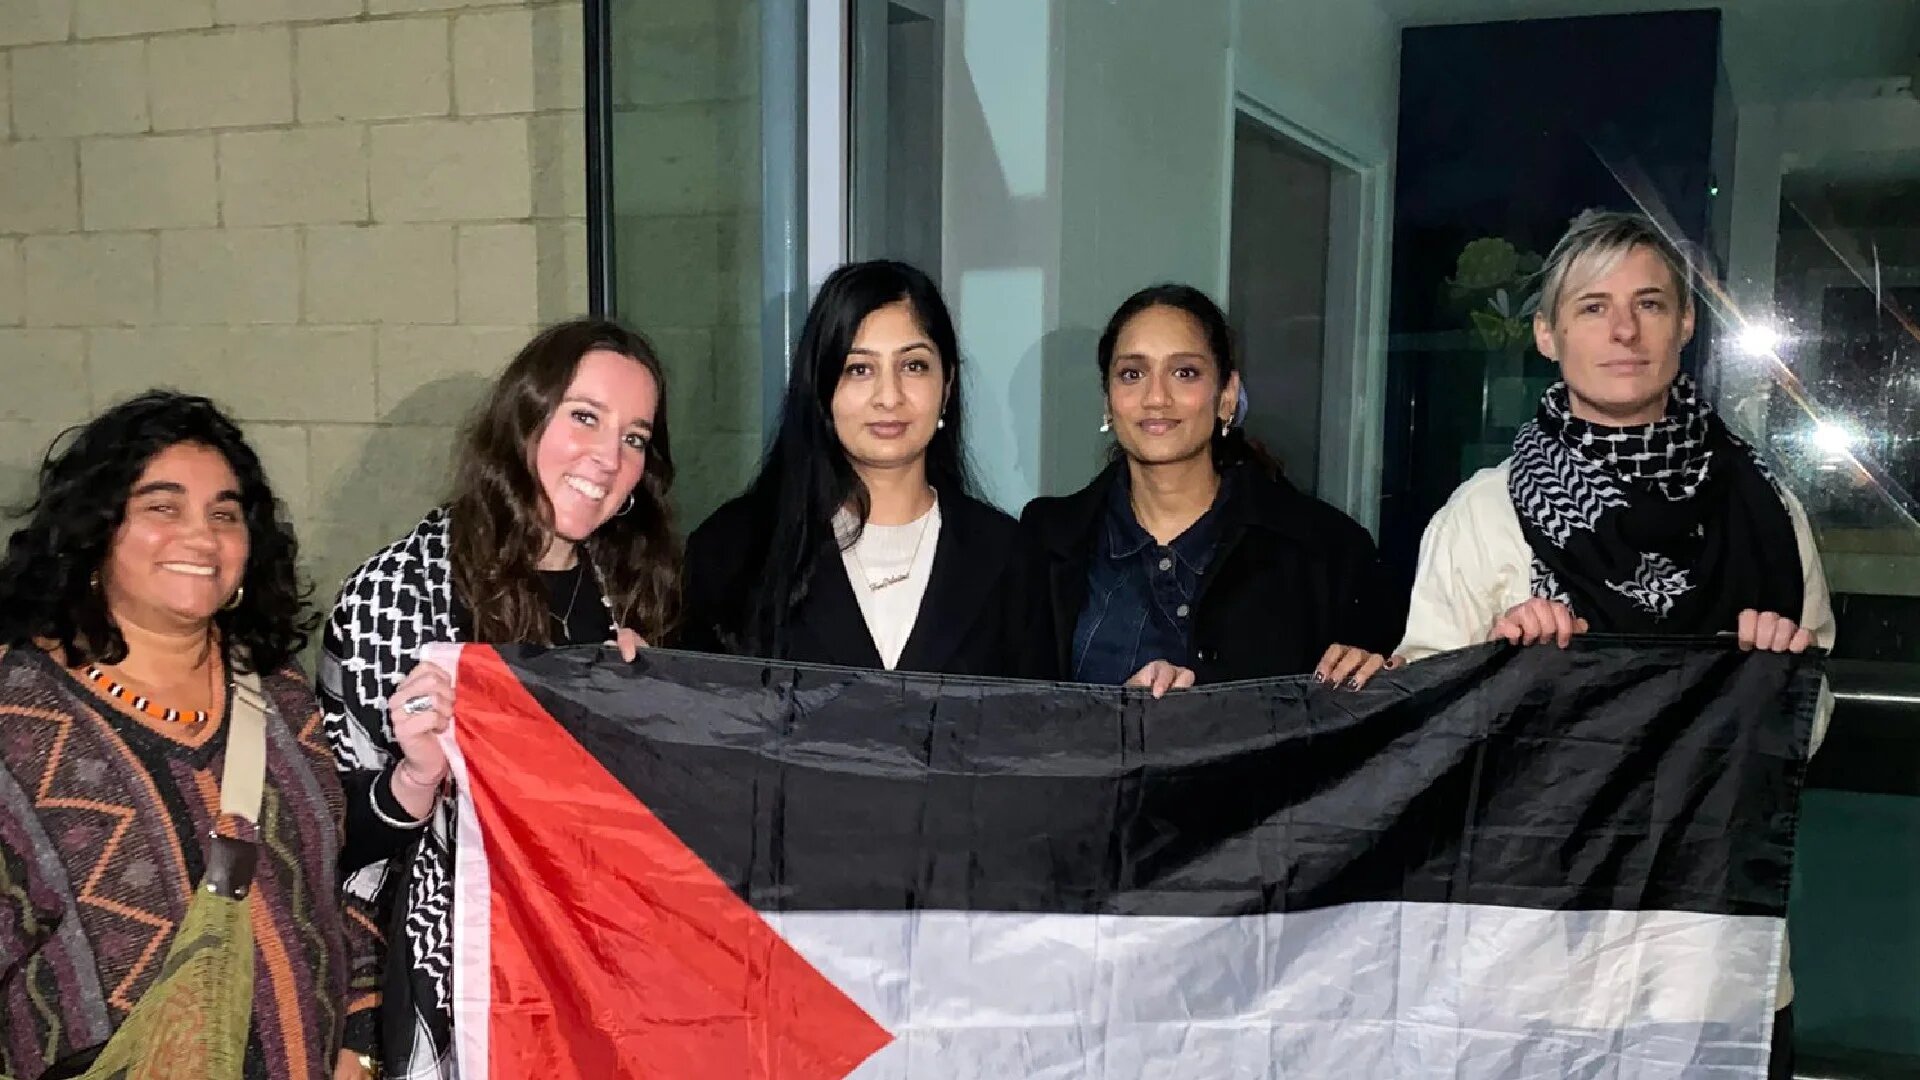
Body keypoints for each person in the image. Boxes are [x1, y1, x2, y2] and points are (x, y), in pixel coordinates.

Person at [1395, 210, 1832, 1079]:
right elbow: (1417, 719)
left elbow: (1810, 731)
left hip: (1708, 958)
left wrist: (1782, 678)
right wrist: (1495, 663)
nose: (1624, 330)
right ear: (1549, 336)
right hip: (1531, 962)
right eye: (1593, 308)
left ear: (1686, 324)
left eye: (1650, 304)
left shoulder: (1769, 514)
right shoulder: (1483, 513)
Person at [321, 319, 679, 1078]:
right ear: (525, 416)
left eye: (636, 438)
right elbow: (330, 838)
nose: (608, 459)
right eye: (584, 416)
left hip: (604, 1000)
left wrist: (661, 722)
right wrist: (415, 778)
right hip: (456, 1004)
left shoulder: (634, 596)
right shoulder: (398, 595)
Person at [0, 391, 367, 1080]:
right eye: (161, 507)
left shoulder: (282, 698)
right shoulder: (18, 716)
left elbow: (341, 892)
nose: (200, 536)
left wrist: (361, 1045)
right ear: (95, 532)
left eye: (224, 514)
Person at [1021, 284, 1401, 696]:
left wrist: (1380, 675)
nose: (1156, 397)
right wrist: (1115, 725)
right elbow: (1011, 726)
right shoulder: (1045, 541)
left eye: (1185, 372)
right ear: (1108, 402)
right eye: (1132, 374)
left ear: (1227, 395)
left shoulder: (1326, 550)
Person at [681, 259, 1051, 677]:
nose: (889, 397)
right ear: (821, 389)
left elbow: (1038, 730)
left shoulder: (1008, 555)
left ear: (947, 386)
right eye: (859, 369)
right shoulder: (735, 548)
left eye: (913, 366)